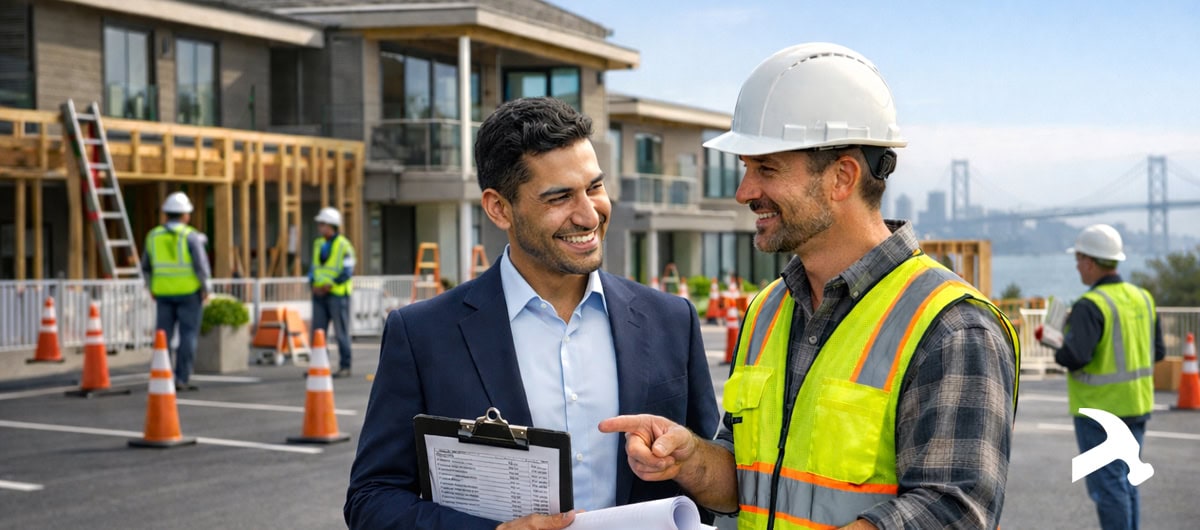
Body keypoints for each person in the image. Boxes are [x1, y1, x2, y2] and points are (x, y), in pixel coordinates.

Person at [599, 42, 1020, 529]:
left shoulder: (953, 327)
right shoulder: (767, 311)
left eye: (766, 168)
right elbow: (748, 479)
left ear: (842, 177)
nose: (743, 192)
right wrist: (689, 458)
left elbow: (952, 511)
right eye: (745, 168)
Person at [345, 97, 719, 530]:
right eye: (559, 197)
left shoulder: (672, 320)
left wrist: (691, 461)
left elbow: (720, 481)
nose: (589, 215)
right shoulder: (422, 335)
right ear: (499, 208)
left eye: (594, 187)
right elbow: (372, 499)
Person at [1040, 224, 1164, 530]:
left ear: (1090, 261)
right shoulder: (1143, 297)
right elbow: (1158, 351)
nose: (1077, 266)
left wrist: (1055, 344)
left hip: (1099, 413)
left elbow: (1074, 357)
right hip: (1137, 405)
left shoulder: (1090, 305)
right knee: (1127, 482)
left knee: (1108, 488)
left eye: (1078, 259)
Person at [142, 191, 210, 392]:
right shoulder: (191, 236)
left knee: (162, 336)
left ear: (166, 214)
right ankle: (182, 378)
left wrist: (151, 287)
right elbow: (201, 267)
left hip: (162, 294)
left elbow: (146, 267)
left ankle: (161, 374)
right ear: (185, 215)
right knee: (188, 335)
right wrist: (206, 288)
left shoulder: (153, 236)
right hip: (189, 293)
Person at [310, 207, 355, 378]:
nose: (319, 227)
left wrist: (331, 285)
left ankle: (345, 366)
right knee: (318, 333)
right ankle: (319, 366)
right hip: (319, 295)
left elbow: (348, 271)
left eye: (322, 224)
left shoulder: (344, 245)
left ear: (331, 225)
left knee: (341, 332)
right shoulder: (318, 244)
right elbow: (314, 268)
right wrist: (313, 284)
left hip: (338, 295)